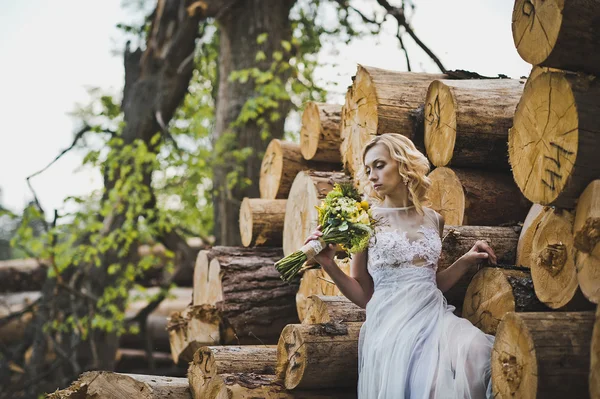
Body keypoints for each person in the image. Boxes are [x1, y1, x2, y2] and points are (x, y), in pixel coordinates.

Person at [304, 133, 497, 398]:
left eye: (379, 165)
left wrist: (465, 261)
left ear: (403, 163)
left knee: (478, 351)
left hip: (434, 317)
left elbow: (428, 282)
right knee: (430, 387)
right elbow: (364, 294)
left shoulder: (434, 219)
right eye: (369, 169)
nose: (372, 176)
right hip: (391, 324)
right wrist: (328, 263)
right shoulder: (365, 220)